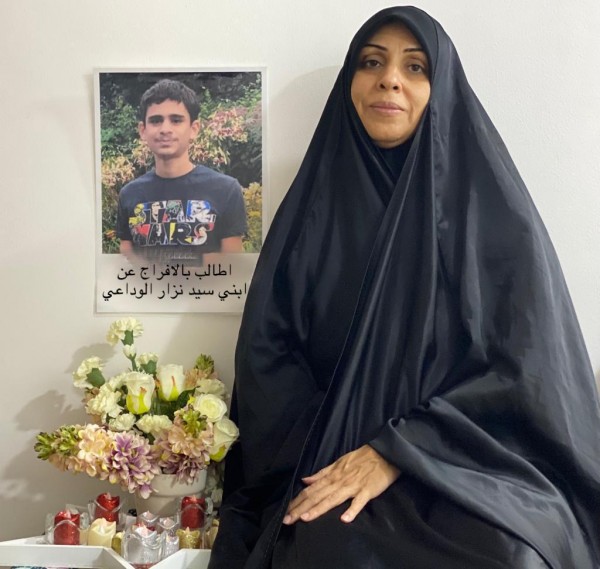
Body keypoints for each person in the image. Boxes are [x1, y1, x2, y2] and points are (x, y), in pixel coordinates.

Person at [210, 7, 600, 569]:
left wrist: (400, 450)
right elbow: (269, 360)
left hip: (474, 467)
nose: (390, 79)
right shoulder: (312, 214)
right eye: (372, 62)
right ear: (351, 83)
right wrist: (346, 449)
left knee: (513, 557)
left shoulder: (490, 213)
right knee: (322, 547)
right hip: (334, 458)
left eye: (415, 67)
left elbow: (527, 372)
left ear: (441, 89)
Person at [116, 79, 247, 265]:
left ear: (194, 129)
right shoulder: (129, 194)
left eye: (176, 120)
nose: (165, 129)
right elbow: (127, 265)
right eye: (156, 121)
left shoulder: (226, 189)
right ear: (143, 130)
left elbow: (232, 266)